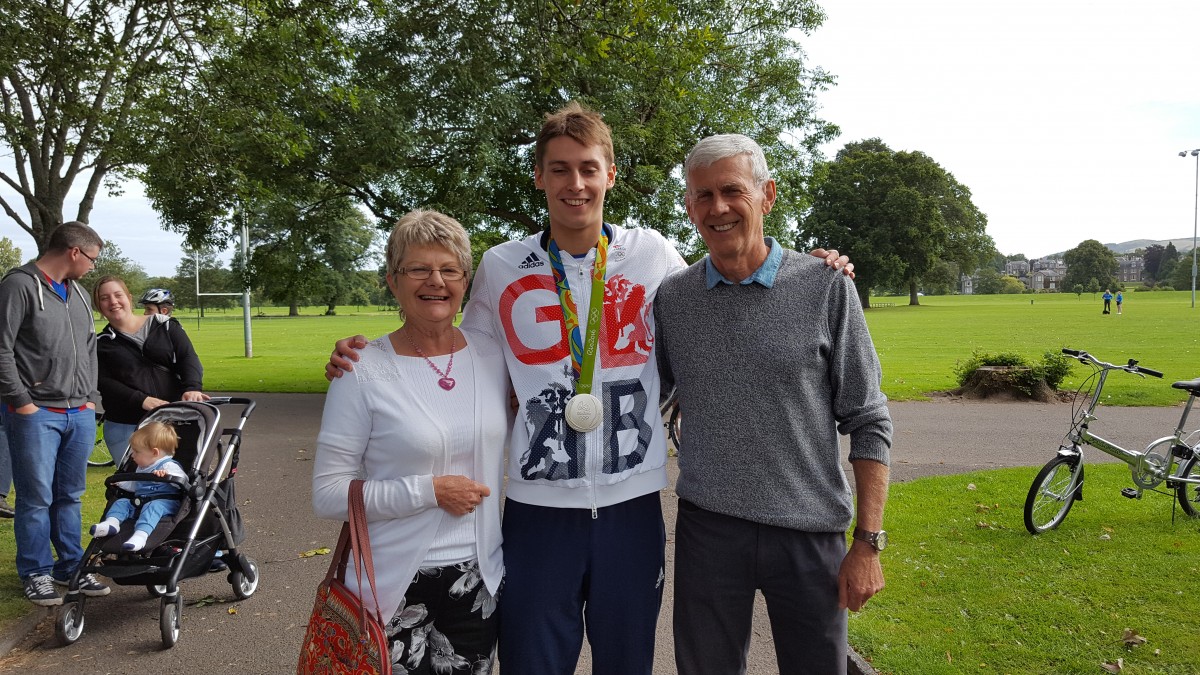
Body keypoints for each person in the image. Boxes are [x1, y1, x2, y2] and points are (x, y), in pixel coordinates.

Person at [327, 104, 853, 674]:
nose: (574, 184)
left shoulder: (652, 255)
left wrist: (811, 266)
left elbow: (724, 279)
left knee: (626, 664)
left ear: (610, 174)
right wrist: (371, 356)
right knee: (533, 664)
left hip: (632, 507)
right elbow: (456, 353)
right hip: (538, 513)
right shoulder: (502, 267)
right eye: (559, 169)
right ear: (539, 176)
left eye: (587, 168)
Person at [655, 134, 892, 675]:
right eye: (702, 195)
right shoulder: (674, 298)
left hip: (810, 533)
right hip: (708, 528)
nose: (717, 208)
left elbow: (869, 418)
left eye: (732, 191)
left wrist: (868, 543)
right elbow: (650, 390)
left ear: (767, 196)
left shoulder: (826, 286)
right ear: (689, 207)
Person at [313, 210, 511, 673]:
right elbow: (326, 494)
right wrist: (428, 492)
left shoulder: (491, 354)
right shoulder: (360, 369)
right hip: (390, 589)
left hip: (478, 580)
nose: (435, 281)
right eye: (418, 268)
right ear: (392, 280)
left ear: (466, 280)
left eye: (449, 269)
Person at [0, 221, 111, 605]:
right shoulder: (18, 285)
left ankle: (69, 568)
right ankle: (35, 572)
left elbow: (89, 349)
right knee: (35, 498)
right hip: (36, 413)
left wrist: (91, 399)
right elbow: (2, 349)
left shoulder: (78, 294)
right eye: (92, 259)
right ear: (74, 252)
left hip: (78, 411)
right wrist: (22, 401)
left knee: (71, 496)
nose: (93, 267)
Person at [93, 276, 208, 460]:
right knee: (135, 484)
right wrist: (141, 399)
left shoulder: (166, 325)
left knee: (181, 480)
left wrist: (192, 387)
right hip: (126, 425)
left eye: (117, 295)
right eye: (104, 298)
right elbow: (102, 381)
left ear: (129, 297)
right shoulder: (100, 343)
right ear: (98, 306)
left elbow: (188, 357)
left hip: (172, 421)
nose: (113, 302)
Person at [90, 421, 187, 551]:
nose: (132, 455)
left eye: (136, 451)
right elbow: (137, 486)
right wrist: (121, 483)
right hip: (141, 502)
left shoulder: (168, 466)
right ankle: (112, 524)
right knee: (122, 502)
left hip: (165, 504)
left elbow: (184, 481)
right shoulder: (142, 467)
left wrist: (167, 476)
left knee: (152, 506)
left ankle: (140, 536)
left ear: (154, 452)